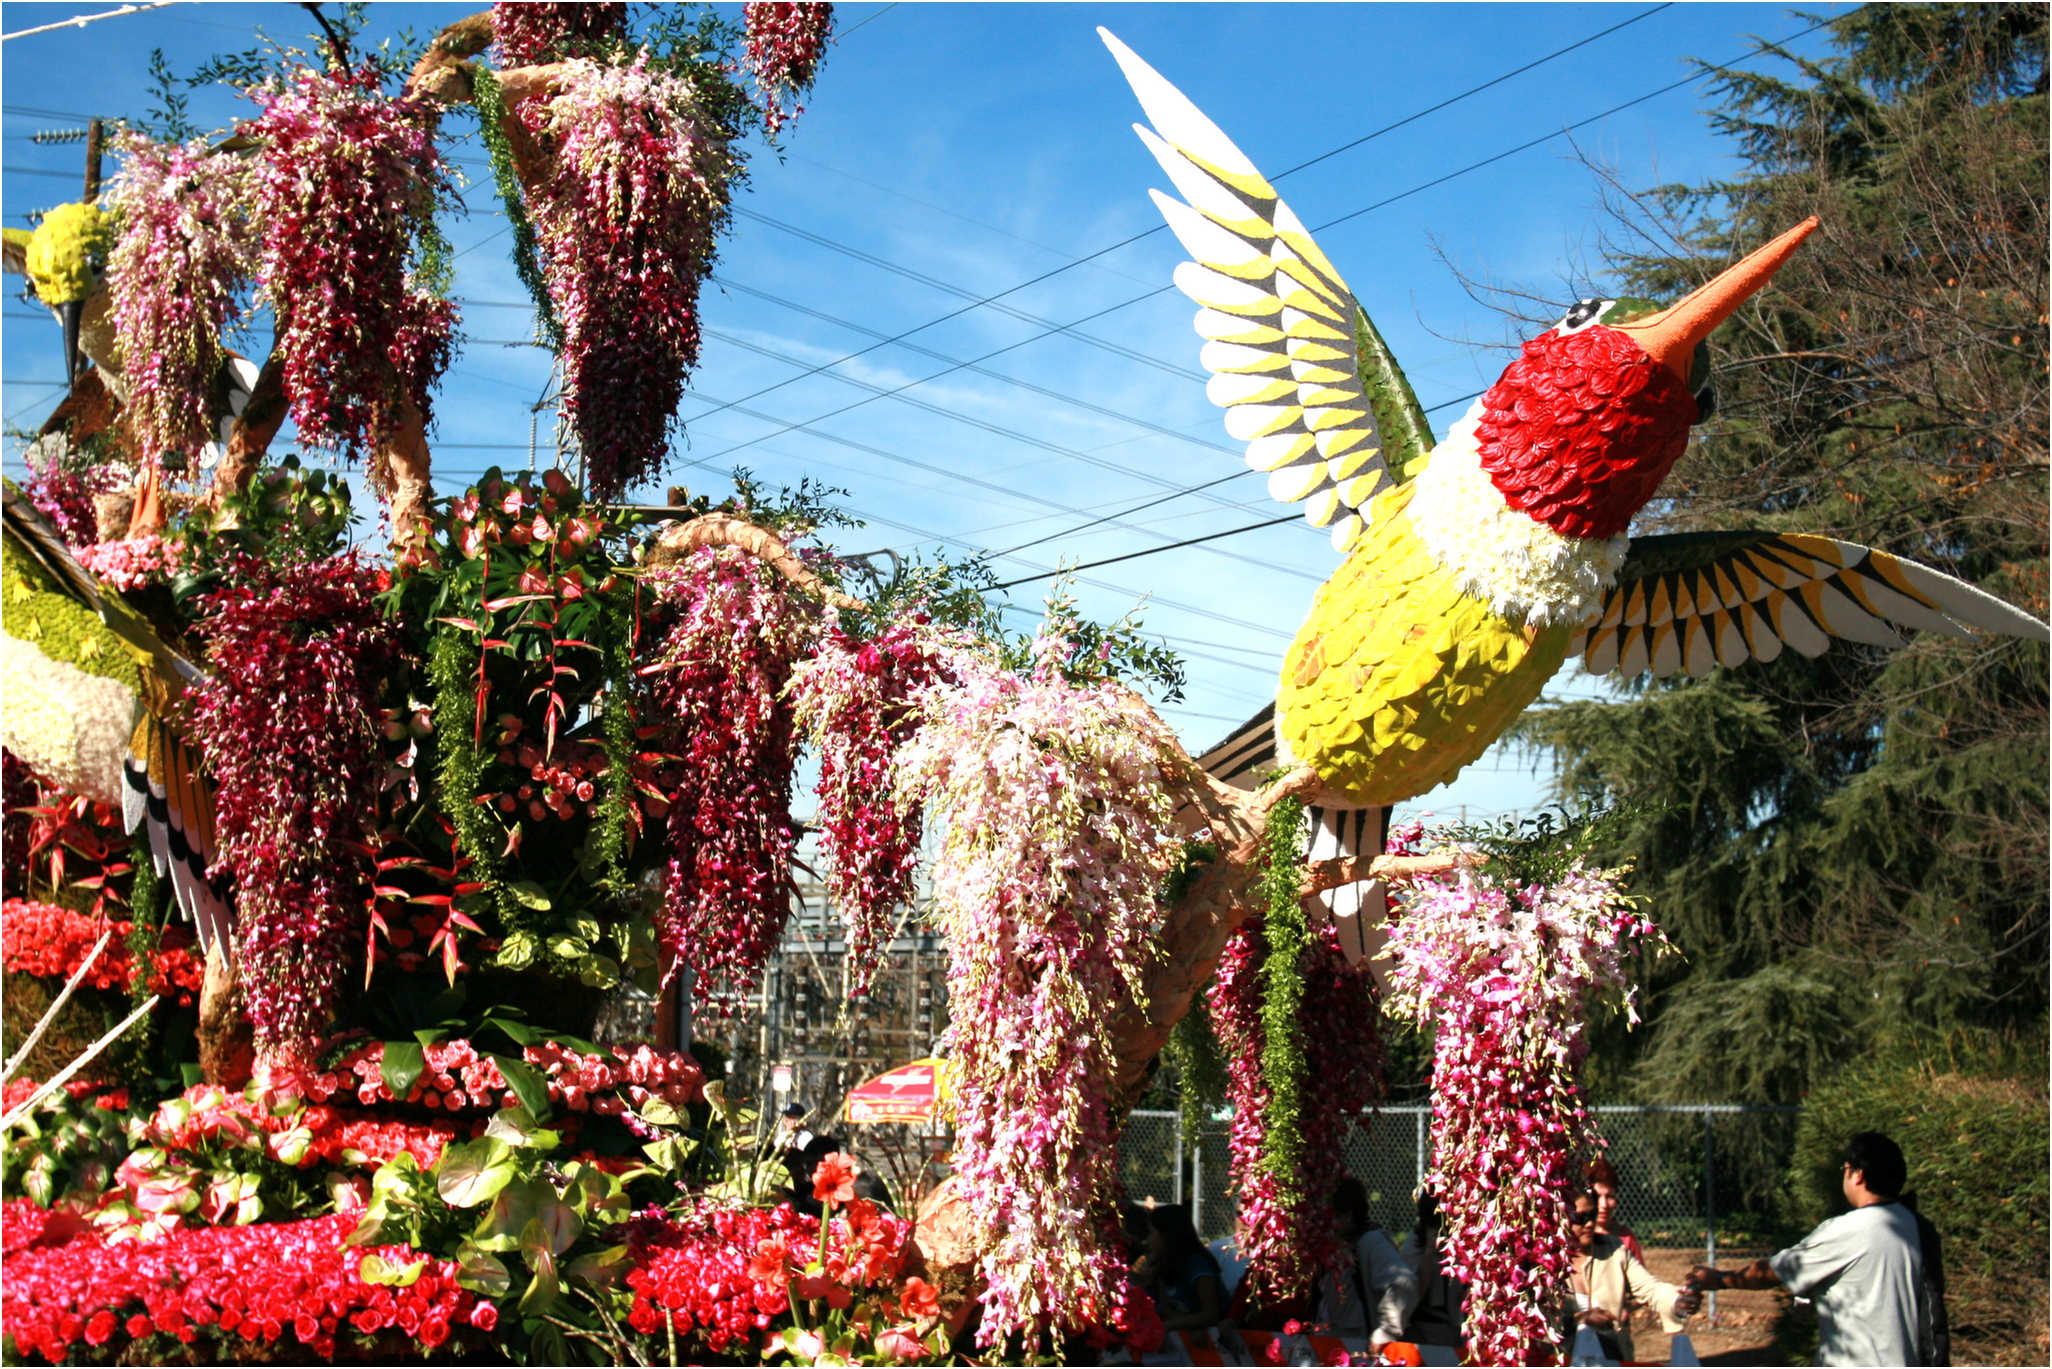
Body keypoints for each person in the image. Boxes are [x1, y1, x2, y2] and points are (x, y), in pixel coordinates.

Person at [1692, 1131, 1932, 1366]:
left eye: (1845, 1169)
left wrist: (1719, 1279)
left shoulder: (1847, 1230)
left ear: (1857, 1175)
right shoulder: (1912, 1226)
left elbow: (1776, 1271)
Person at [1564, 1188, 1701, 1362]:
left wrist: (1677, 1300)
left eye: (1592, 1215)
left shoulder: (1614, 1248)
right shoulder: (1545, 1262)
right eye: (1580, 1218)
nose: (1590, 1223)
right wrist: (1580, 1320)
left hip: (1612, 1357)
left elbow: (1650, 1288)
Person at [1315, 1177, 1418, 1351]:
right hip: (1331, 1346)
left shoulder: (1370, 1242)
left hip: (1358, 1349)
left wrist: (1386, 1332)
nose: (1321, 1224)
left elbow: (1404, 1284)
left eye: (1329, 1217)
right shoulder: (1336, 1245)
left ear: (1347, 1215)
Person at [1398, 1188, 1467, 1354]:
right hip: (1422, 1325)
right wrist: (1429, 1250)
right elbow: (1412, 1294)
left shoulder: (1459, 1240)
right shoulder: (1415, 1242)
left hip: (1453, 1326)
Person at [1137, 1203, 1226, 1332]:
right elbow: (1167, 1310)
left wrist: (1169, 1326)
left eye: (1151, 1233)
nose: (1147, 1240)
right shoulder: (1163, 1265)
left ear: (1167, 1235)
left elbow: (1211, 1315)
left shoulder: (1198, 1265)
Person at [1585, 1156, 1645, 1263]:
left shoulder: (1626, 1238)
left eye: (1610, 1197)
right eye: (1597, 1197)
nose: (1604, 1205)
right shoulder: (1578, 1238)